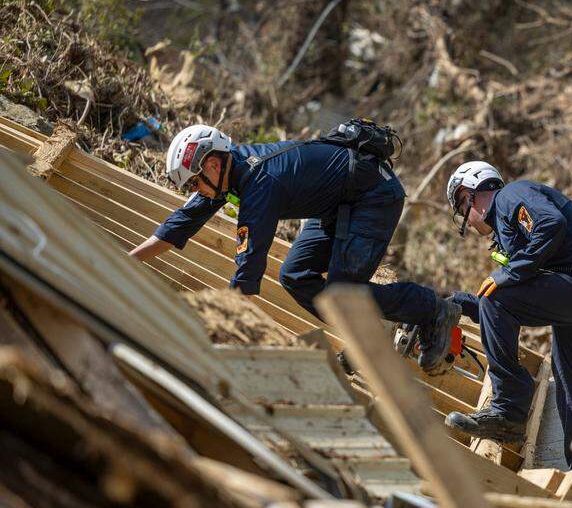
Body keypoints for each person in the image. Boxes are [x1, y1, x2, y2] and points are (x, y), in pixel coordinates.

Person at [130, 123, 460, 371]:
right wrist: (125, 263)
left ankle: (432, 309)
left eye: (195, 182)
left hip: (373, 198)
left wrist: (213, 335)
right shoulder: (229, 173)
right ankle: (367, 331)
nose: (197, 191)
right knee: (295, 273)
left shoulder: (260, 186)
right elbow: (178, 225)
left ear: (213, 165)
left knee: (342, 294)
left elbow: (245, 280)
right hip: (337, 204)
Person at [442, 160, 572, 474]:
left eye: (461, 207)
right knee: (571, 387)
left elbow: (551, 223)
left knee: (498, 297)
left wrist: (509, 272)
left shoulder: (510, 196)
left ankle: (508, 410)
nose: (468, 221)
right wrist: (458, 303)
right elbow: (514, 306)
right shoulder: (512, 224)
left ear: (470, 194)